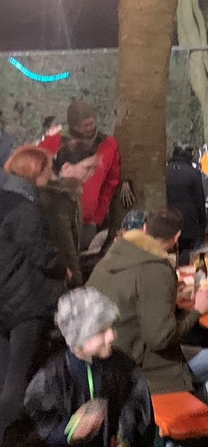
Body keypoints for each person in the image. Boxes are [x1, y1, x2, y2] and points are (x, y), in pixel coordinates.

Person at [86, 208, 208, 402]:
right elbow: (160, 338)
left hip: (102, 361)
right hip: (139, 368)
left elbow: (132, 302)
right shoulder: (155, 269)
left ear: (144, 228)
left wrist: (170, 300)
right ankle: (196, 408)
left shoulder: (115, 256)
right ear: (177, 237)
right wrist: (198, 310)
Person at [24, 287, 154, 447]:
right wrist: (68, 433)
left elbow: (138, 406)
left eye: (111, 327)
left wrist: (124, 437)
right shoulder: (51, 378)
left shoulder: (122, 365)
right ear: (79, 337)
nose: (112, 336)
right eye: (101, 331)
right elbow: (37, 427)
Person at [0, 146, 68, 446]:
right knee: (19, 379)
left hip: (4, 297)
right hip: (25, 301)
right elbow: (39, 252)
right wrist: (63, 268)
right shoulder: (26, 208)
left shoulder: (5, 199)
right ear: (34, 171)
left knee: (5, 375)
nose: (51, 173)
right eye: (47, 168)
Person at [40, 100, 122, 246]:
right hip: (57, 218)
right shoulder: (51, 143)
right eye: (85, 125)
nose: (90, 128)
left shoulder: (109, 145)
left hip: (88, 220)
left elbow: (111, 183)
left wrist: (98, 215)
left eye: (92, 123)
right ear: (74, 126)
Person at [41, 138, 98, 287]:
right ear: (66, 167)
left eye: (94, 168)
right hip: (58, 276)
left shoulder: (71, 192)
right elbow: (64, 243)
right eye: (87, 168)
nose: (92, 173)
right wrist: (76, 280)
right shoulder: (56, 198)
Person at [165, 143, 207, 265]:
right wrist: (202, 223)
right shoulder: (193, 173)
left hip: (167, 216)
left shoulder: (165, 171)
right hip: (188, 219)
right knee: (186, 251)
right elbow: (199, 200)